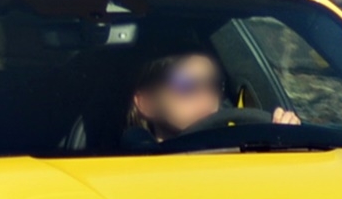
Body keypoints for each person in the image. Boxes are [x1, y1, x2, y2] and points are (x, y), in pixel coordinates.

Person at [123, 50, 298, 146]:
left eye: (213, 84)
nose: (206, 96)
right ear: (146, 102)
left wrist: (287, 139)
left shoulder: (242, 149)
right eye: (186, 85)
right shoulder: (133, 168)